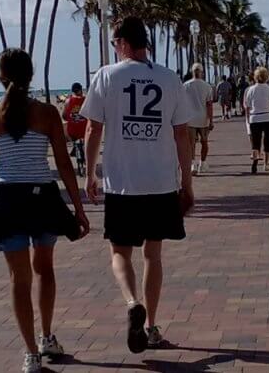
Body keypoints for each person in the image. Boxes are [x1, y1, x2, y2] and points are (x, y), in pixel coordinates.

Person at [82, 17, 195, 353]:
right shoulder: (170, 78)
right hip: (160, 183)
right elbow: (182, 134)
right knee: (153, 255)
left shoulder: (106, 75)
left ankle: (132, 303)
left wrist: (90, 174)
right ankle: (152, 326)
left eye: (116, 43)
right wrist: (186, 182)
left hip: (122, 184)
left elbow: (92, 129)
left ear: (124, 43)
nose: (115, 48)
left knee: (120, 252)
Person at [0, 49, 89, 373]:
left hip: (7, 201)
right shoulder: (47, 113)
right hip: (42, 199)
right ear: (30, 75)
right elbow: (63, 163)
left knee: (19, 279)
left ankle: (31, 354)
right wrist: (78, 209)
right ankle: (46, 336)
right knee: (45, 270)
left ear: (0, 77)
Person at [244, 67, 269, 173]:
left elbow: (247, 106)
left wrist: (248, 118)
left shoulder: (251, 90)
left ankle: (255, 160)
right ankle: (266, 164)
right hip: (268, 117)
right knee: (267, 141)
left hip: (255, 117)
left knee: (256, 142)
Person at [184, 63, 215, 175]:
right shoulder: (207, 86)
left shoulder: (185, 85)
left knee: (191, 144)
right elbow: (209, 105)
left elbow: (182, 103)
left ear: (192, 72)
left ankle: (193, 164)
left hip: (190, 119)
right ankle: (203, 163)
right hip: (203, 119)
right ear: (202, 72)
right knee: (204, 142)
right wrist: (211, 120)